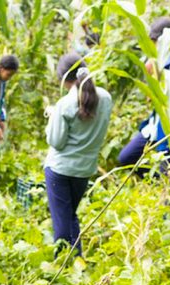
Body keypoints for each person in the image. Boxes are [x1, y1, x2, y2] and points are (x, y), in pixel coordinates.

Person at [44, 53, 113, 254]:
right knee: (70, 214)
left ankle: (63, 265)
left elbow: (56, 141)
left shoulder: (65, 104)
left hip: (60, 170)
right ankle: (78, 258)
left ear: (64, 78)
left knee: (62, 222)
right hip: (85, 169)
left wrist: (52, 116)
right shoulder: (105, 98)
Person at [117, 17, 170, 175]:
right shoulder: (160, 60)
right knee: (126, 157)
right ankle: (160, 179)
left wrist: (158, 79)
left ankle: (169, 185)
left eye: (154, 42)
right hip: (156, 125)